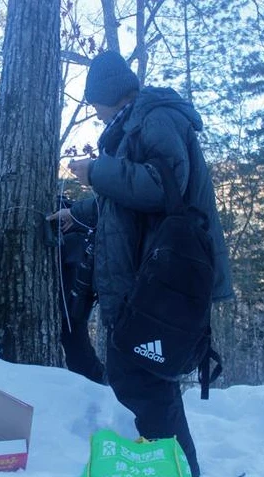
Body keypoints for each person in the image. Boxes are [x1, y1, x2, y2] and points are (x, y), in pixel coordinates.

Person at [49, 51, 233, 477]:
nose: (93, 111)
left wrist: (95, 170)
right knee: (145, 380)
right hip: (149, 279)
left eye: (93, 101)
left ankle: (178, 468)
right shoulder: (135, 123)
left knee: (140, 379)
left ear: (107, 95)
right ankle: (177, 467)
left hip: (164, 279)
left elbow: (159, 187)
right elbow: (124, 204)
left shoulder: (155, 119)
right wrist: (77, 212)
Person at [53, 197, 105, 384]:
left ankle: (97, 383)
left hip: (71, 308)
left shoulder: (74, 241)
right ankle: (97, 381)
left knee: (77, 349)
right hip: (76, 306)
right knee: (78, 348)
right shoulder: (85, 237)